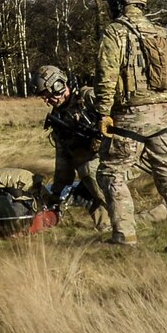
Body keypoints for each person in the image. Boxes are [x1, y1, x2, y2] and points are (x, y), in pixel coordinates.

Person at [94, 0, 167, 255]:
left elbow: (106, 76)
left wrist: (103, 113)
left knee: (111, 173)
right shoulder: (166, 35)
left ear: (118, 2)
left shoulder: (114, 32)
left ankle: (124, 237)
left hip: (130, 117)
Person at [35, 64, 109, 230]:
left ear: (58, 85)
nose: (46, 101)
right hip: (89, 170)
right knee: (85, 185)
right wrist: (56, 192)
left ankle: (124, 219)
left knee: (88, 170)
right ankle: (107, 226)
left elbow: (120, 118)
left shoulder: (89, 98)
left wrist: (103, 137)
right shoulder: (58, 117)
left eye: (47, 95)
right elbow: (63, 158)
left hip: (114, 158)